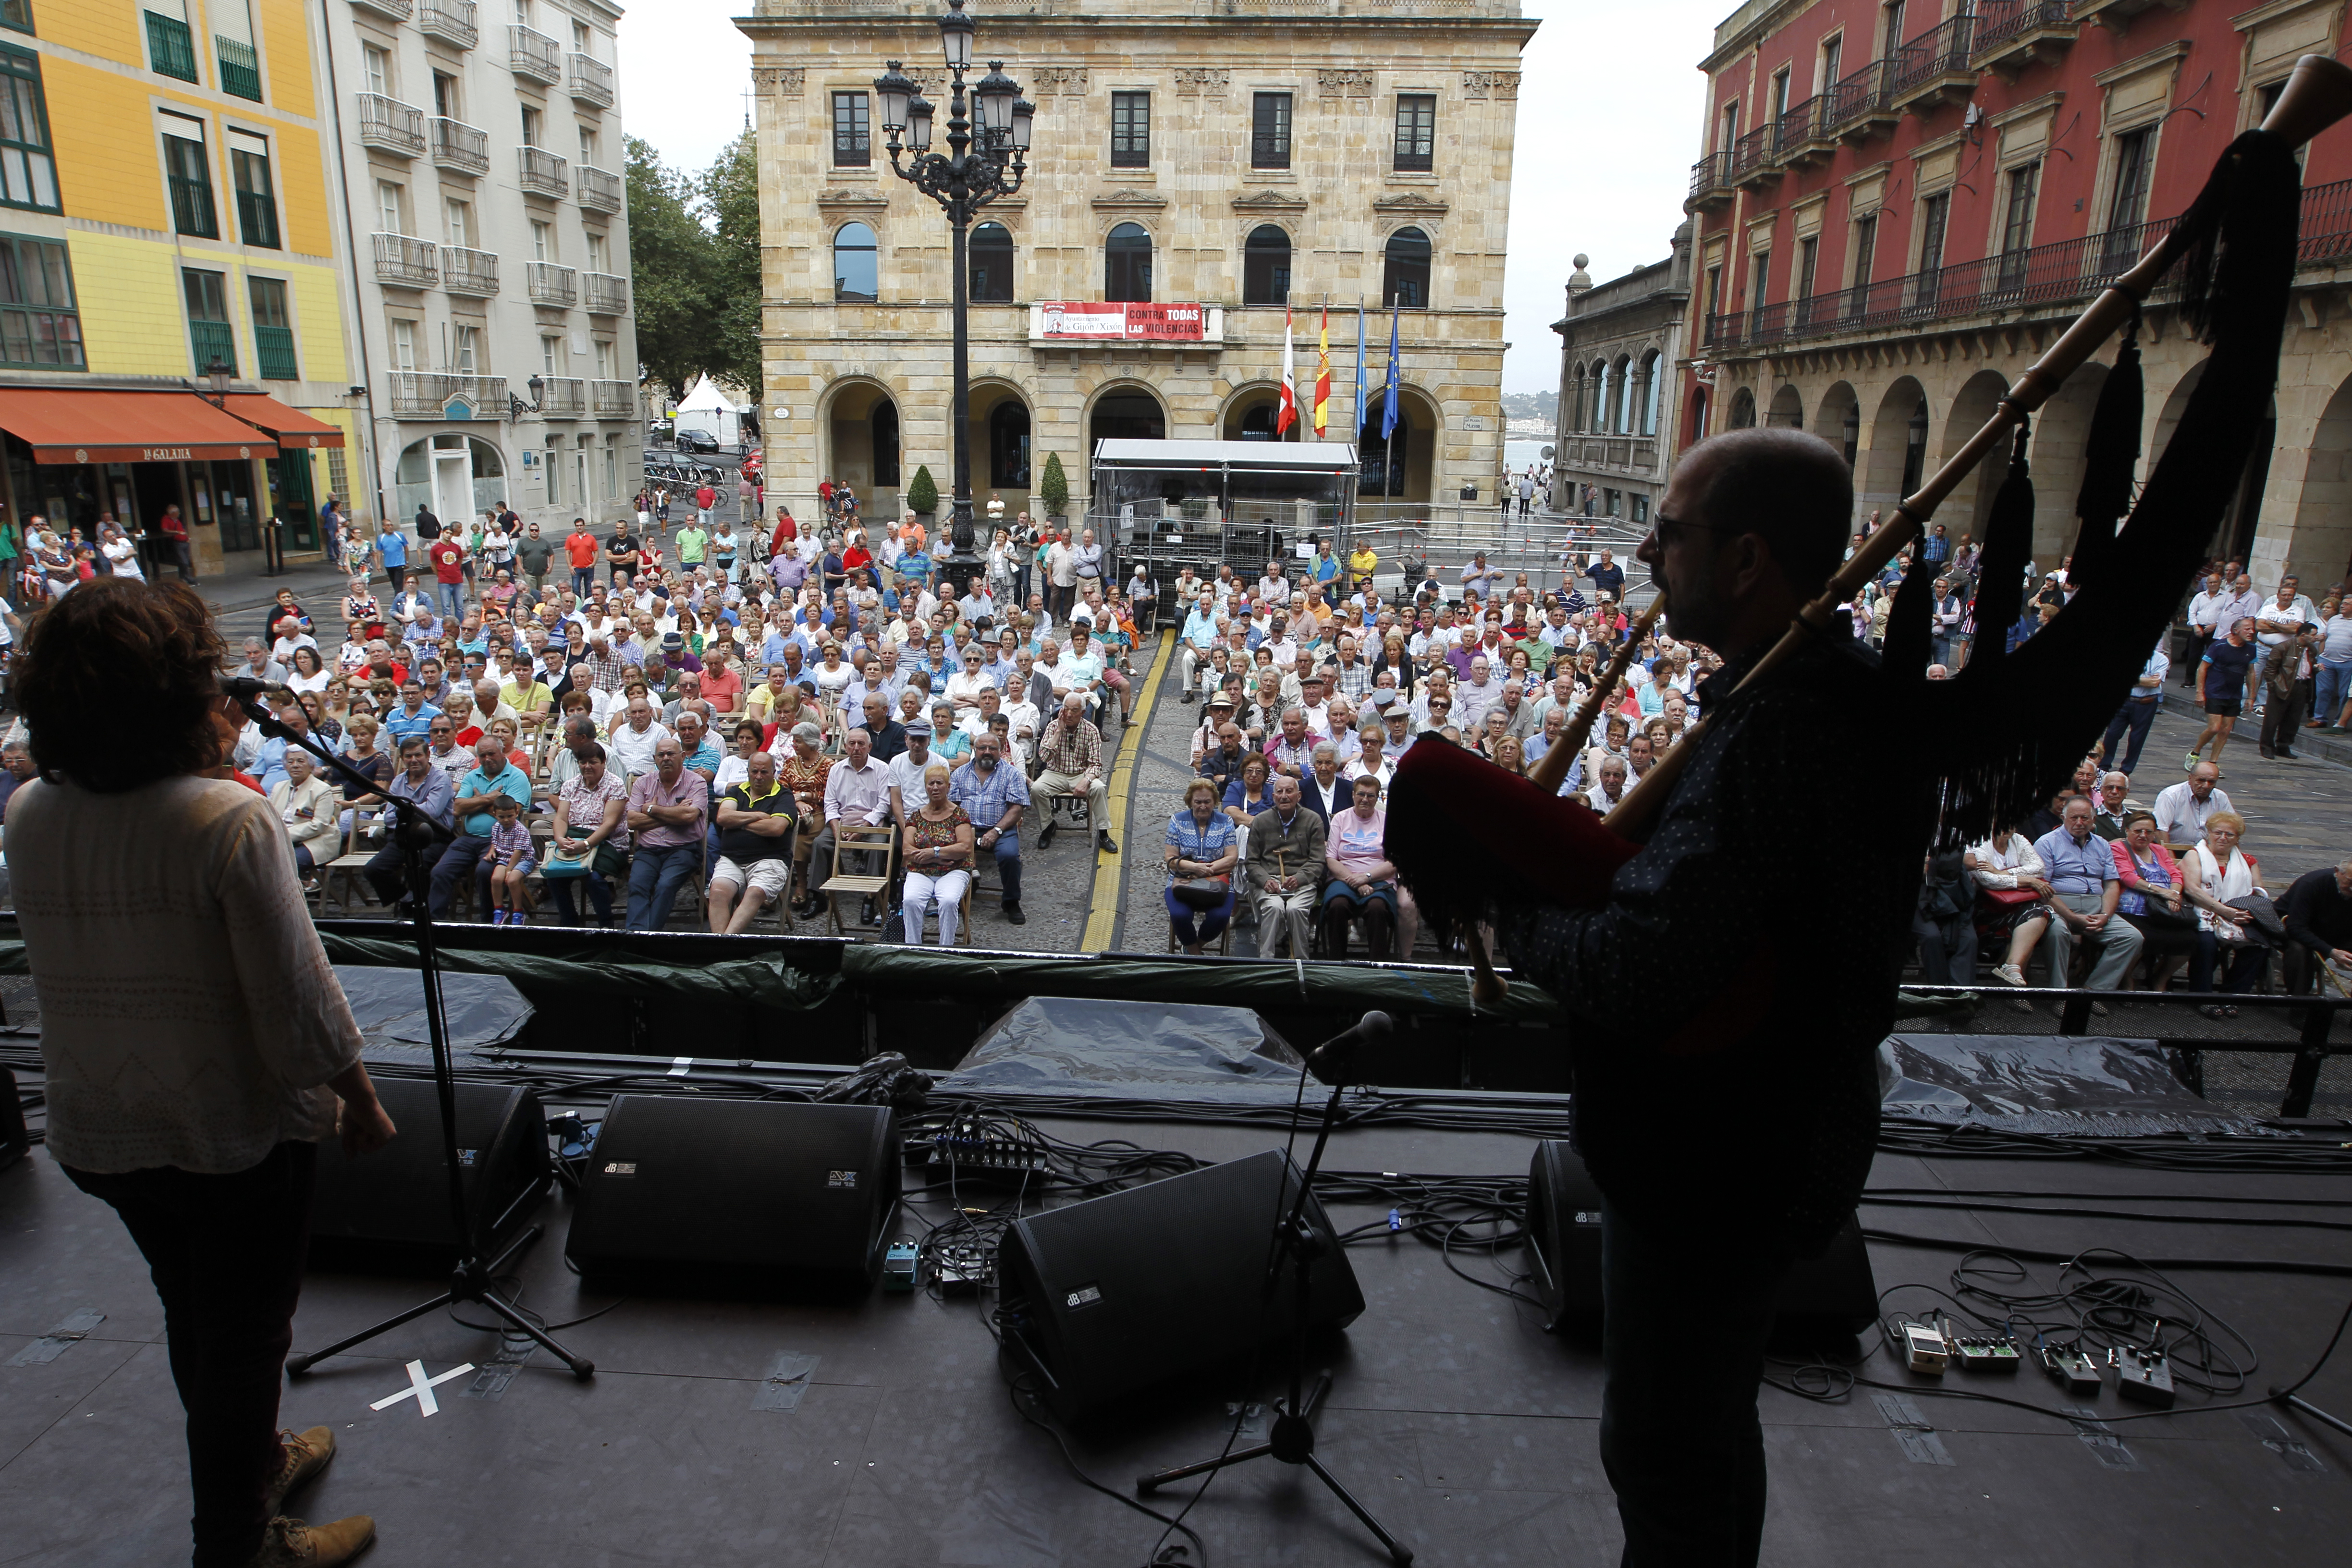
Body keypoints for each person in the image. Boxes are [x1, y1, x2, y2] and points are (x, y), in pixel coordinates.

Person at [1428, 431, 1931, 1565]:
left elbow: (1647, 967)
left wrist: (1508, 906)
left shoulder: (1784, 731)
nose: (1647, 549)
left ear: (1747, 558)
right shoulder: (1802, 701)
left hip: (1722, 1157)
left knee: (1666, 1446)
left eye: (1671, 530)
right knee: (1697, 1432)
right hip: (1747, 1141)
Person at [7, 577, 392, 1568]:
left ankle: (257, 1460)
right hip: (225, 1135)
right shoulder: (226, 818)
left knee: (195, 1310)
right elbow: (296, 997)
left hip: (99, 1127)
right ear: (176, 694)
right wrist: (358, 1095)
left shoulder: (30, 811)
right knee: (247, 1339)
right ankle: (238, 1545)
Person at [2034, 794, 2144, 1002]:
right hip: (2059, 904)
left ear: (2093, 820)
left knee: (2132, 937)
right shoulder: (2047, 843)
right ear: (2063, 818)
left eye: (2085, 818)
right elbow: (2043, 888)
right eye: (2074, 818)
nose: (2079, 823)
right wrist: (2070, 916)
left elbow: (2111, 884)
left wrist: (2105, 915)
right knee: (2057, 932)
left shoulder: (2102, 844)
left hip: (2096, 905)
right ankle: (2059, 995)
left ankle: (2094, 992)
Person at [2181, 810, 2267, 1013]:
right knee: (2206, 943)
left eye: (2230, 835)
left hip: (2239, 912)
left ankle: (2233, 996)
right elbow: (2192, 889)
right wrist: (2223, 910)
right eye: (2218, 833)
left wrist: (2246, 912)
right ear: (2209, 833)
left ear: (2237, 839)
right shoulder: (2195, 856)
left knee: (2259, 945)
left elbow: (2259, 892)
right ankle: (2201, 997)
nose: (2223, 838)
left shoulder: (2248, 861)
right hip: (2203, 911)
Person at [707, 748, 797, 933]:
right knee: (717, 893)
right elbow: (723, 818)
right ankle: (721, 943)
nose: (758, 776)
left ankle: (724, 943)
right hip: (732, 859)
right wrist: (757, 816)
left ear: (774, 773)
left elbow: (775, 828)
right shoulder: (737, 791)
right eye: (754, 771)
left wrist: (738, 822)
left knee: (755, 893)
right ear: (748, 772)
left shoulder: (784, 796)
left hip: (770, 859)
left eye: (764, 772)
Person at [1322, 773, 1409, 958]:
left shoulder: (1388, 821)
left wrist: (1367, 877)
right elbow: (1331, 859)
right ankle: (1335, 962)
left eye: (1371, 796)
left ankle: (1378, 964)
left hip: (1380, 880)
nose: (1365, 799)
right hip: (1343, 878)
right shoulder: (1340, 819)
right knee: (1337, 906)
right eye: (1361, 794)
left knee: (1377, 907)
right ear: (1353, 795)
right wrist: (1358, 882)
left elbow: (1394, 862)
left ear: (1378, 798)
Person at [624, 737, 708, 930]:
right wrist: (674, 813)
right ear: (655, 759)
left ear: (683, 757)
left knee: (666, 885)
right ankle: (636, 934)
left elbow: (688, 816)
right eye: (661, 755)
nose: (666, 758)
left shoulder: (697, 782)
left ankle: (651, 935)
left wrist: (653, 809)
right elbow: (632, 821)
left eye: (671, 754)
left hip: (684, 850)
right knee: (637, 884)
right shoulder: (643, 783)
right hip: (648, 851)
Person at [2110, 809, 2198, 986]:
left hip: (2162, 909)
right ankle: (2127, 979)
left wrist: (2173, 895)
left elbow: (2176, 874)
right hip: (2130, 910)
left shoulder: (2159, 850)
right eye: (2138, 831)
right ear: (2127, 831)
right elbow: (2127, 877)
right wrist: (2162, 892)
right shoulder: (2117, 849)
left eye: (2149, 832)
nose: (2144, 835)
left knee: (2190, 939)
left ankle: (2161, 978)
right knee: (2139, 938)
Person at [547, 740, 629, 927]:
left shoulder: (614, 785)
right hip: (573, 840)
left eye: (593, 762)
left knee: (592, 877)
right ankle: (570, 924)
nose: (587, 767)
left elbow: (609, 824)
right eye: (583, 762)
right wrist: (560, 840)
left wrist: (585, 845)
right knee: (555, 877)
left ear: (603, 762)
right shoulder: (571, 785)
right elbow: (561, 818)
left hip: (608, 844)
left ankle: (606, 925)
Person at [950, 731, 1028, 926]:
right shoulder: (960, 773)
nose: (987, 752)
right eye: (982, 748)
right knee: (949, 851)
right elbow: (952, 806)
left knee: (1010, 856)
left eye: (992, 749)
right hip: (966, 829)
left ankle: (1011, 902)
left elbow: (1017, 809)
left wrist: (996, 831)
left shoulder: (1011, 774)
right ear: (974, 750)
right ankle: (954, 896)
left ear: (1000, 751)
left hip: (1001, 829)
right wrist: (963, 829)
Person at [1245, 772, 1324, 958]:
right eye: (1279, 792)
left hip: (1301, 882)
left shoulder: (1313, 820)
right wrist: (1265, 880)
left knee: (1296, 910)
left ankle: (1301, 961)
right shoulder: (1261, 821)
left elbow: (1317, 860)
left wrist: (1300, 878)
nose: (1284, 796)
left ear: (1299, 796)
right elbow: (1252, 862)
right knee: (1274, 908)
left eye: (1289, 791)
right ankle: (1266, 960)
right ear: (1273, 797)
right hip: (1270, 881)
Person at [899, 761, 975, 945]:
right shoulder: (916, 817)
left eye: (940, 783)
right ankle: (913, 948)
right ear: (925, 787)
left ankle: (946, 949)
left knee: (949, 901)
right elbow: (907, 849)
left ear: (948, 787)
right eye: (931, 783)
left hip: (954, 870)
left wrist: (935, 852)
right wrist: (937, 856)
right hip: (921, 870)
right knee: (910, 900)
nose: (935, 788)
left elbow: (965, 847)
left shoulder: (959, 815)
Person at [1032, 694, 1115, 853]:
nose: (1069, 714)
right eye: (1066, 710)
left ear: (1083, 713)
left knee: (1099, 788)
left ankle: (1104, 834)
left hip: (1080, 774)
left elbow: (1096, 764)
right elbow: (1043, 757)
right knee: (1037, 789)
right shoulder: (1053, 727)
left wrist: (1086, 780)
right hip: (1055, 773)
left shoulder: (1091, 730)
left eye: (1074, 711)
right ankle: (1048, 826)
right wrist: (1058, 733)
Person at [2188, 616, 2257, 768]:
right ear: (2235, 630)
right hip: (2216, 692)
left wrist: (2251, 697)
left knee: (2226, 730)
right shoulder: (2219, 647)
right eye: (2248, 629)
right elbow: (2202, 668)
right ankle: (2195, 753)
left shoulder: (2252, 649)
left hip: (2234, 694)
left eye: (2253, 629)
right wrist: (2200, 692)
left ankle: (2213, 762)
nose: (2252, 632)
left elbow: (2251, 673)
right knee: (2214, 728)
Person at [2278, 856, 2352, 997]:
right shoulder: (2313, 883)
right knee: (2299, 952)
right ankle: (2299, 1003)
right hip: (2299, 930)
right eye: (2350, 881)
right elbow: (2295, 927)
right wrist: (2332, 952)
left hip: (2338, 931)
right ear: (2337, 872)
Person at [270, 747, 339, 890]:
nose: (295, 765)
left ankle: (288, 899)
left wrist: (284, 834)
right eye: (290, 761)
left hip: (316, 840)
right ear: (285, 766)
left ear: (312, 766)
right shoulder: (278, 787)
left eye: (301, 761)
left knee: (285, 862)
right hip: (281, 839)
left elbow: (318, 825)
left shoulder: (322, 789)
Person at [482, 791, 536, 925]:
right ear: (495, 815)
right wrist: (491, 852)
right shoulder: (496, 827)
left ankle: (518, 911)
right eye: (502, 817)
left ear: (516, 813)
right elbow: (495, 842)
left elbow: (518, 852)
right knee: (495, 879)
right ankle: (499, 909)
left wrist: (509, 871)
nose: (506, 820)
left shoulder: (520, 830)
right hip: (506, 857)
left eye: (510, 816)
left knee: (512, 881)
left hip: (524, 859)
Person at [2153, 760, 2233, 845]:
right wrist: (2169, 856)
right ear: (2190, 778)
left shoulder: (2221, 797)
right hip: (2175, 849)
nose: (2206, 786)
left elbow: (2233, 828)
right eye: (2201, 781)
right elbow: (2160, 830)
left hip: (2208, 852)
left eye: (2212, 782)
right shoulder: (2171, 795)